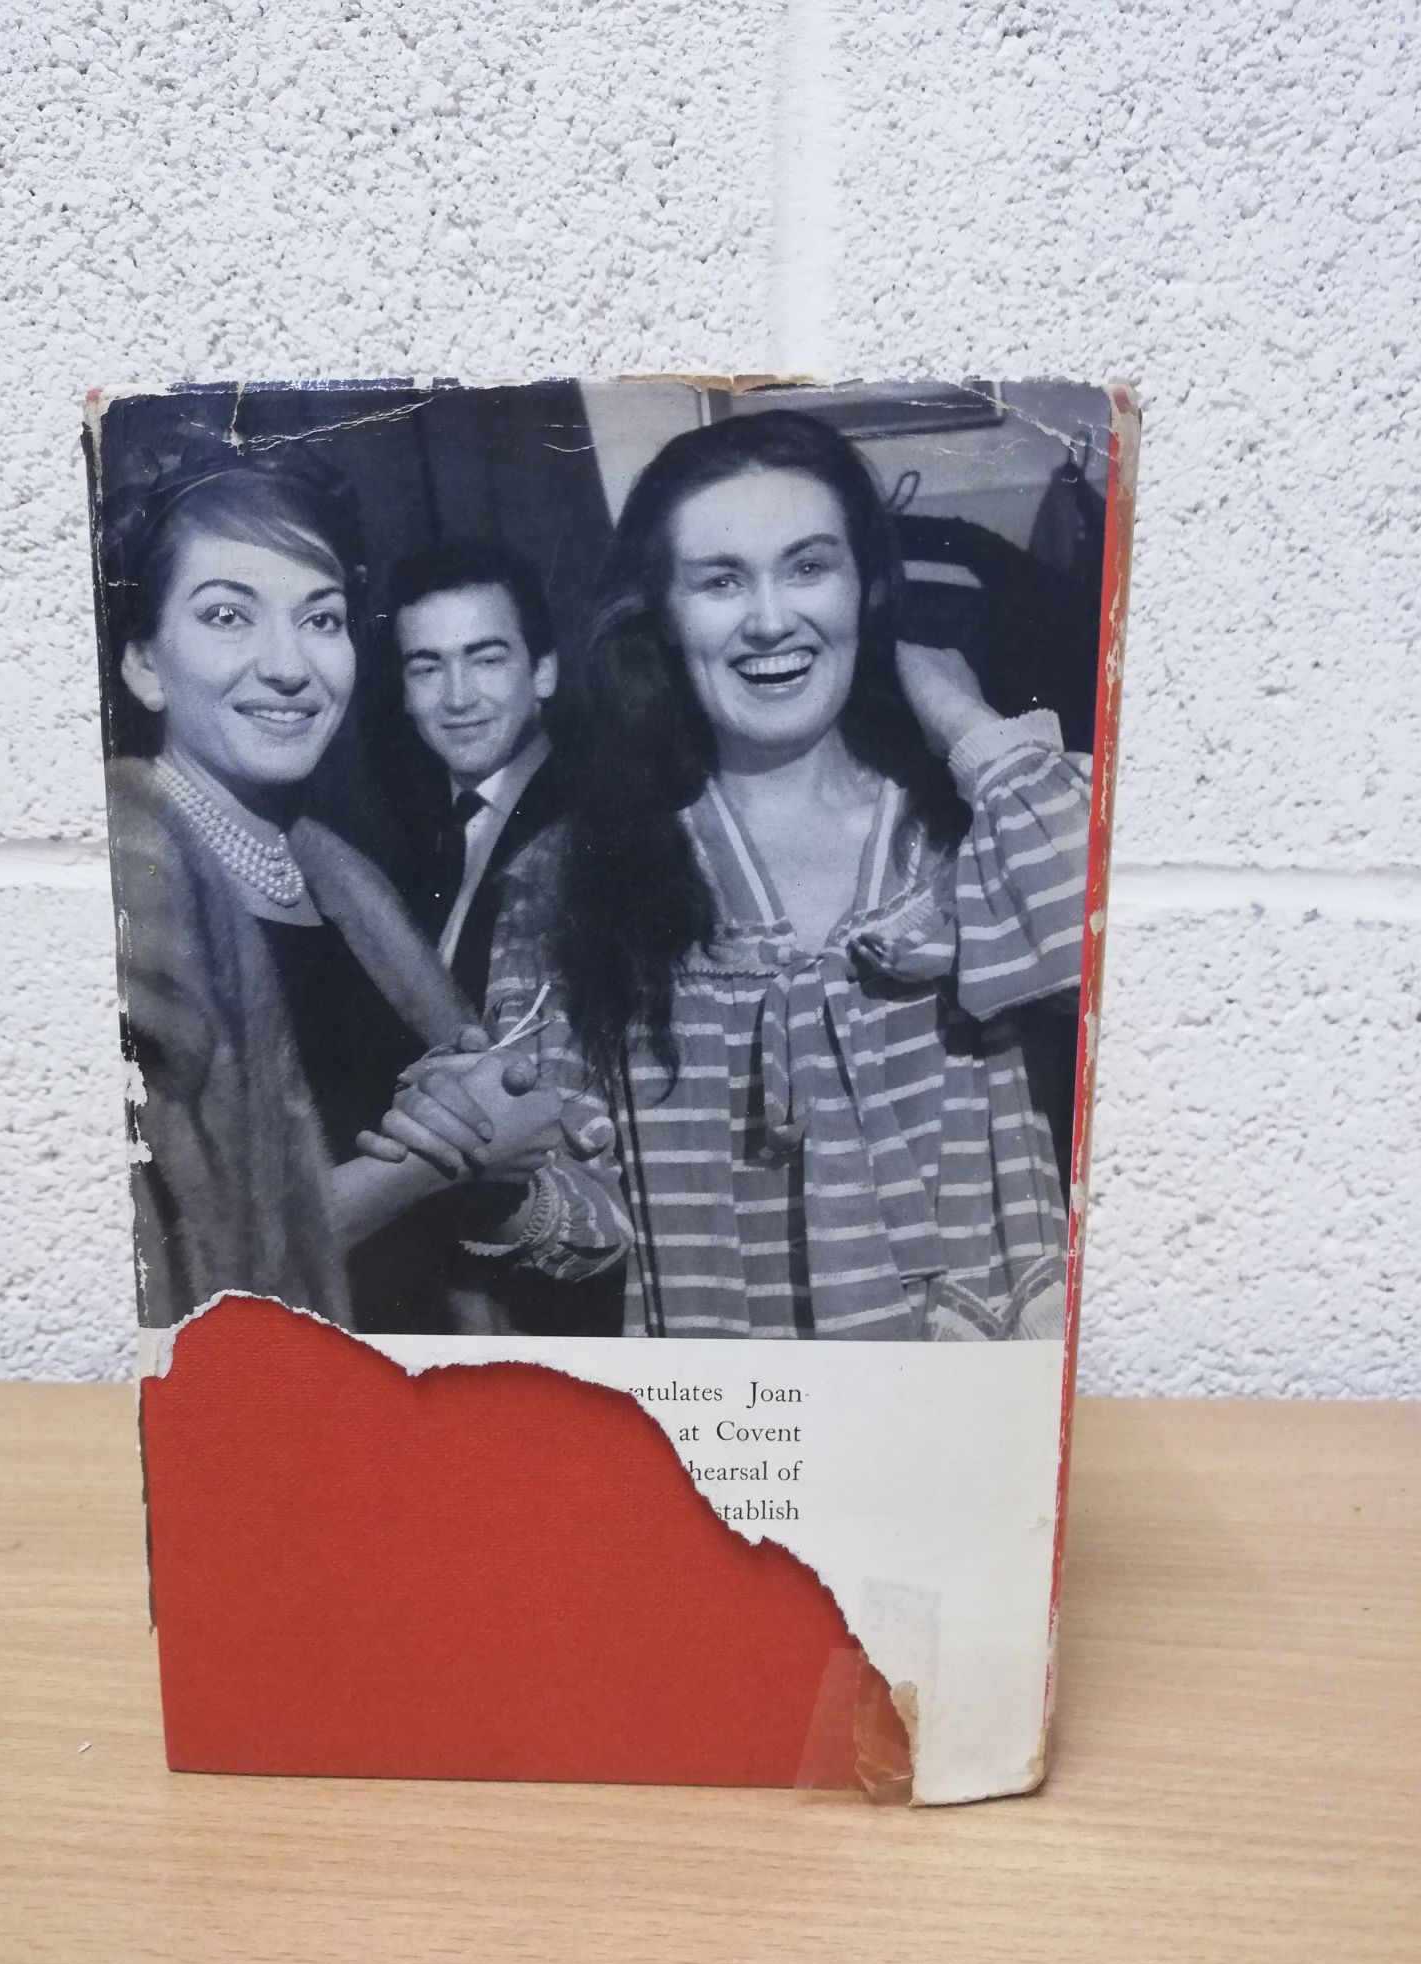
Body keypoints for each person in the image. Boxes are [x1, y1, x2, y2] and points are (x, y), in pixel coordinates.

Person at [368, 409, 1092, 1342]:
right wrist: (495, 1176)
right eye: (720, 581)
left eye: (808, 567)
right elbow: (586, 1225)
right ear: (664, 616)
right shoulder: (569, 877)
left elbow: (1116, 970)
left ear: (867, 587)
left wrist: (961, 717)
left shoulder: (982, 823)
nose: (770, 619)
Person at [100, 432, 625, 1331]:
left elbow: (578, 1222)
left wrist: (496, 1167)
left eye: (321, 618)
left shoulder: (347, 887)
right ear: (145, 663)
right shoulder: (120, 906)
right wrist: (433, 1160)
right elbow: (162, 1283)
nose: (289, 666)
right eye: (228, 615)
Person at [390, 541, 567, 1010]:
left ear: (543, 673)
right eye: (427, 668)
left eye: (486, 660)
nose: (458, 698)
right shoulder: (413, 848)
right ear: (404, 693)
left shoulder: (594, 824)